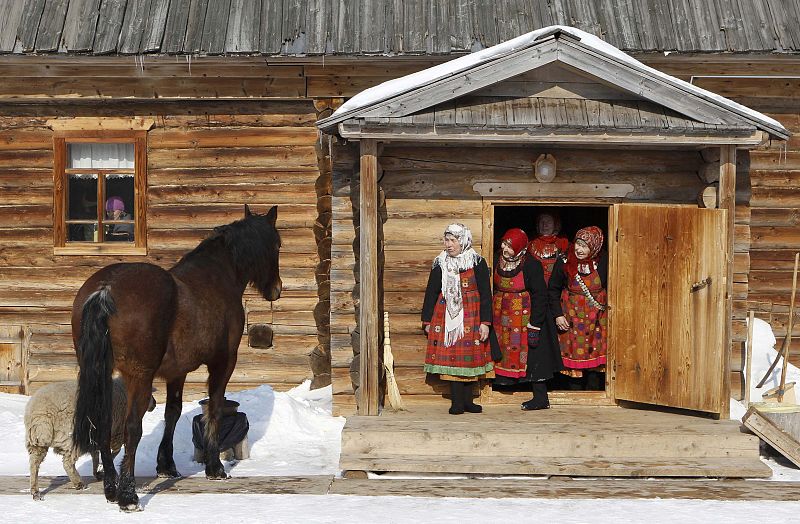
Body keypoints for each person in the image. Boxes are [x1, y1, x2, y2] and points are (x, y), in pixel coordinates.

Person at [422, 223, 495, 415]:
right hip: (446, 316)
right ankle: (456, 402)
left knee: (468, 356)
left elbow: (486, 294)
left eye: (453, 240)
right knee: (452, 357)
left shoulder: (476, 262)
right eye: (447, 240)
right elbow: (431, 292)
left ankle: (468, 401)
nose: (449, 244)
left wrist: (485, 322)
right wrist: (427, 321)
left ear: (462, 241)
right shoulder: (440, 262)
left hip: (471, 315)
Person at [491, 228, 560, 410]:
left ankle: (540, 398)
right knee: (501, 350)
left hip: (524, 316)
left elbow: (540, 295)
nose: (505, 248)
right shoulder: (496, 258)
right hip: (501, 314)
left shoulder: (531, 264)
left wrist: (535, 324)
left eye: (510, 246)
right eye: (504, 243)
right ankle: (501, 388)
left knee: (532, 354)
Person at [549, 226, 608, 390]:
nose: (579, 249)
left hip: (597, 319)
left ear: (594, 247)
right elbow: (553, 289)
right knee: (572, 356)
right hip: (571, 318)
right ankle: (573, 392)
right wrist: (558, 315)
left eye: (584, 246)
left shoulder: (604, 261)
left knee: (596, 354)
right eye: (578, 244)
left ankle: (593, 391)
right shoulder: (565, 261)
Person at [528, 211, 570, 284]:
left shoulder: (565, 244)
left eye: (549, 221)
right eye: (542, 222)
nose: (545, 225)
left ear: (555, 224)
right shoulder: (529, 244)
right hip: (535, 285)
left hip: (557, 286)